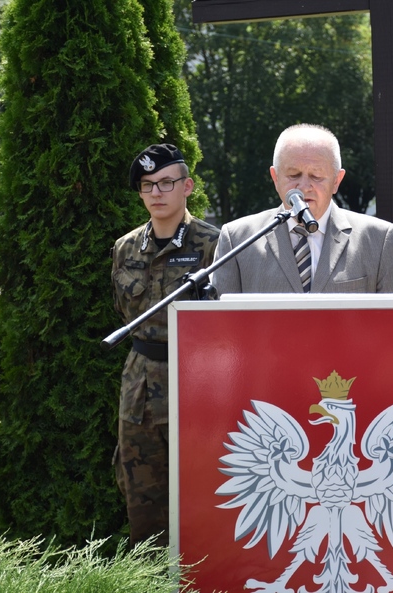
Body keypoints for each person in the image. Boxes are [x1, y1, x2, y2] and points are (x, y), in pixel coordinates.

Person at [112, 144, 220, 546]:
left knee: (205, 497)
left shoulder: (215, 245)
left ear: (187, 186)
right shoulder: (125, 249)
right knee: (141, 501)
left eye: (166, 183)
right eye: (147, 185)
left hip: (196, 388)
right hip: (139, 390)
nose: (156, 193)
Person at [211, 124, 393, 294]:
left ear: (336, 181)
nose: (304, 186)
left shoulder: (379, 239)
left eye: (316, 176)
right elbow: (220, 329)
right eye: (293, 175)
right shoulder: (237, 240)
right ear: (275, 178)